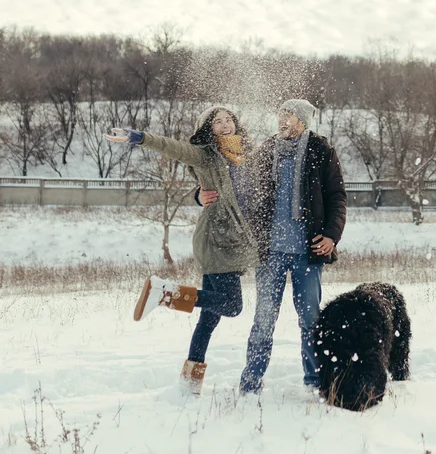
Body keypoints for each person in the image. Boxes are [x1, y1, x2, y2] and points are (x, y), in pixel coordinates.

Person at [103, 106, 259, 396]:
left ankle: (190, 383)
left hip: (233, 239)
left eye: (228, 120)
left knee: (209, 317)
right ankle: (164, 293)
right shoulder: (205, 154)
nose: (225, 125)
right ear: (208, 130)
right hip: (218, 237)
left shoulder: (246, 156)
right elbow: (175, 149)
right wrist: (140, 138)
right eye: (217, 122)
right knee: (232, 306)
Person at [199, 99, 347, 394]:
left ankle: (314, 381)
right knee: (263, 320)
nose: (283, 120)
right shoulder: (266, 150)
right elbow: (234, 181)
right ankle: (251, 383)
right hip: (269, 252)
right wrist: (199, 194)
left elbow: (337, 197)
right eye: (280, 114)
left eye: (289, 115)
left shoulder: (320, 150)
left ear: (303, 121)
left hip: (309, 249)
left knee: (310, 319)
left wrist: (331, 235)